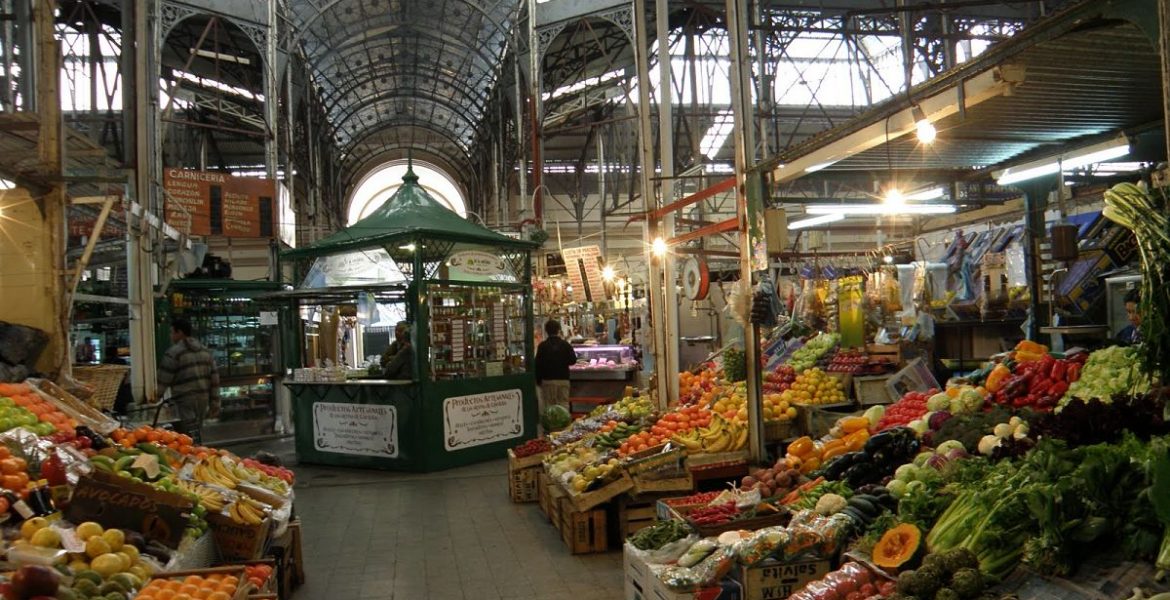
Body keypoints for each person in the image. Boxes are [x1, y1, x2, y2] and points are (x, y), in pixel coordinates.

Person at [158, 318, 219, 442]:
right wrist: (215, 402)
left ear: (179, 332)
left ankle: (193, 451)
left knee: (186, 436)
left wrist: (154, 398)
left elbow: (163, 379)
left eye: (172, 332)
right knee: (196, 431)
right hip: (203, 399)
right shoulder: (206, 351)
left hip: (184, 400)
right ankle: (199, 450)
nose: (170, 336)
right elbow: (214, 379)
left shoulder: (174, 353)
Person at [535, 319, 576, 415]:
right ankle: (564, 423)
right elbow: (573, 361)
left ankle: (551, 424)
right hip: (563, 380)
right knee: (563, 404)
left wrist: (538, 381)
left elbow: (537, 364)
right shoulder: (565, 345)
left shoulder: (542, 346)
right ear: (558, 330)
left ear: (546, 331)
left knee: (549, 406)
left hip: (548, 381)